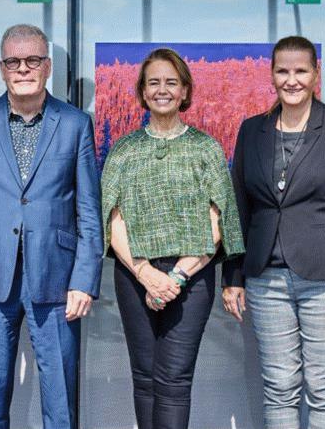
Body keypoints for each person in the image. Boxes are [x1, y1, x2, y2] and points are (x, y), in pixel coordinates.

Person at [0, 24, 103, 429]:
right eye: (13, 61)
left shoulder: (74, 123)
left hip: (58, 281)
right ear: (2, 68)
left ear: (47, 66)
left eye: (32, 60)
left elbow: (89, 211)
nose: (23, 69)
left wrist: (84, 280)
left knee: (60, 403)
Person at [221, 35, 325, 429]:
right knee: (279, 387)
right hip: (265, 280)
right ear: (271, 75)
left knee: (323, 389)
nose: (292, 80)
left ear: (316, 74)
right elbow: (239, 207)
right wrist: (233, 276)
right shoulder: (252, 130)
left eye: (301, 71)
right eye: (283, 71)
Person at [100, 48, 244, 429]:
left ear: (184, 91)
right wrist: (145, 273)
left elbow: (219, 218)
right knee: (145, 377)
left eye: (170, 82)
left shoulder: (206, 148)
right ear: (142, 92)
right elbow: (112, 218)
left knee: (174, 379)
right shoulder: (124, 150)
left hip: (192, 279)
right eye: (153, 83)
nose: (162, 90)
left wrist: (177, 276)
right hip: (135, 276)